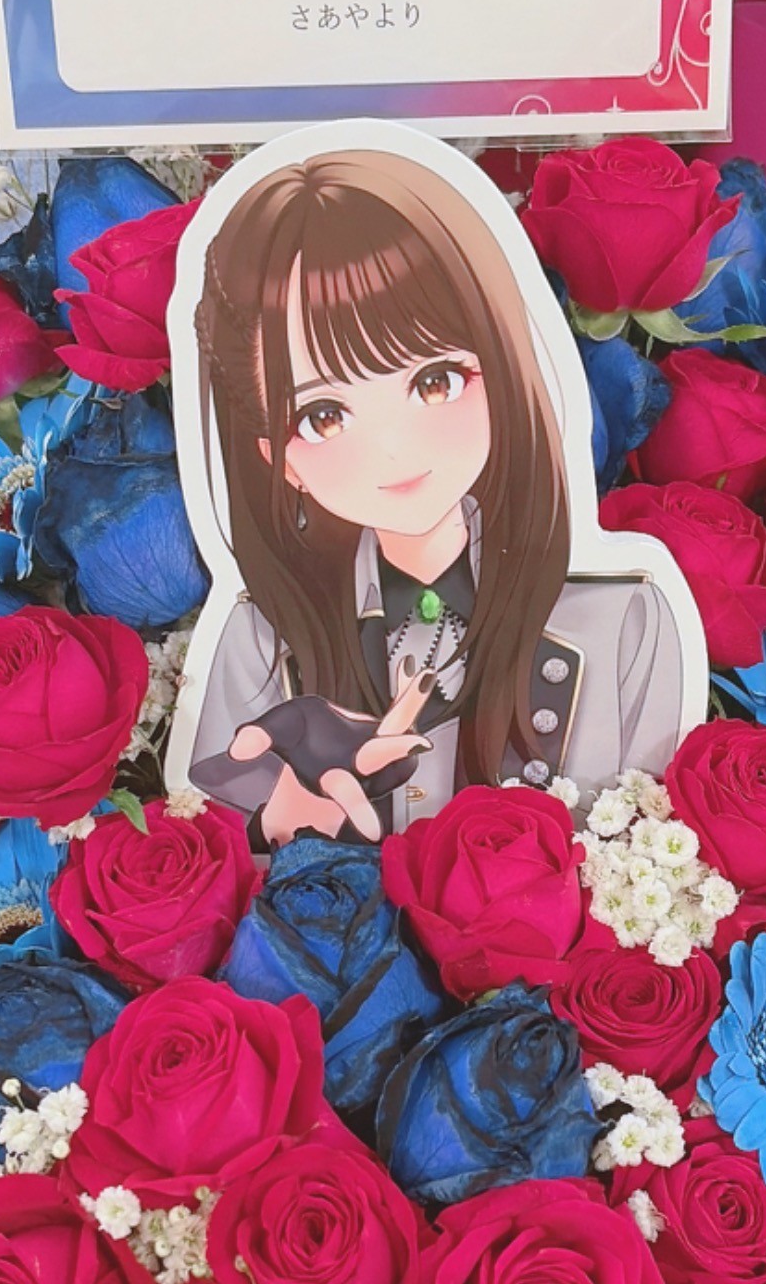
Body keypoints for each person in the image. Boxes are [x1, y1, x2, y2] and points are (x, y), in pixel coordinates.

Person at [173, 141, 700, 842]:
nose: (394, 448)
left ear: (505, 369)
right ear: (278, 459)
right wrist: (280, 827)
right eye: (323, 417)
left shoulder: (623, 622)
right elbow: (221, 851)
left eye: (435, 382)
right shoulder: (261, 639)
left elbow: (655, 854)